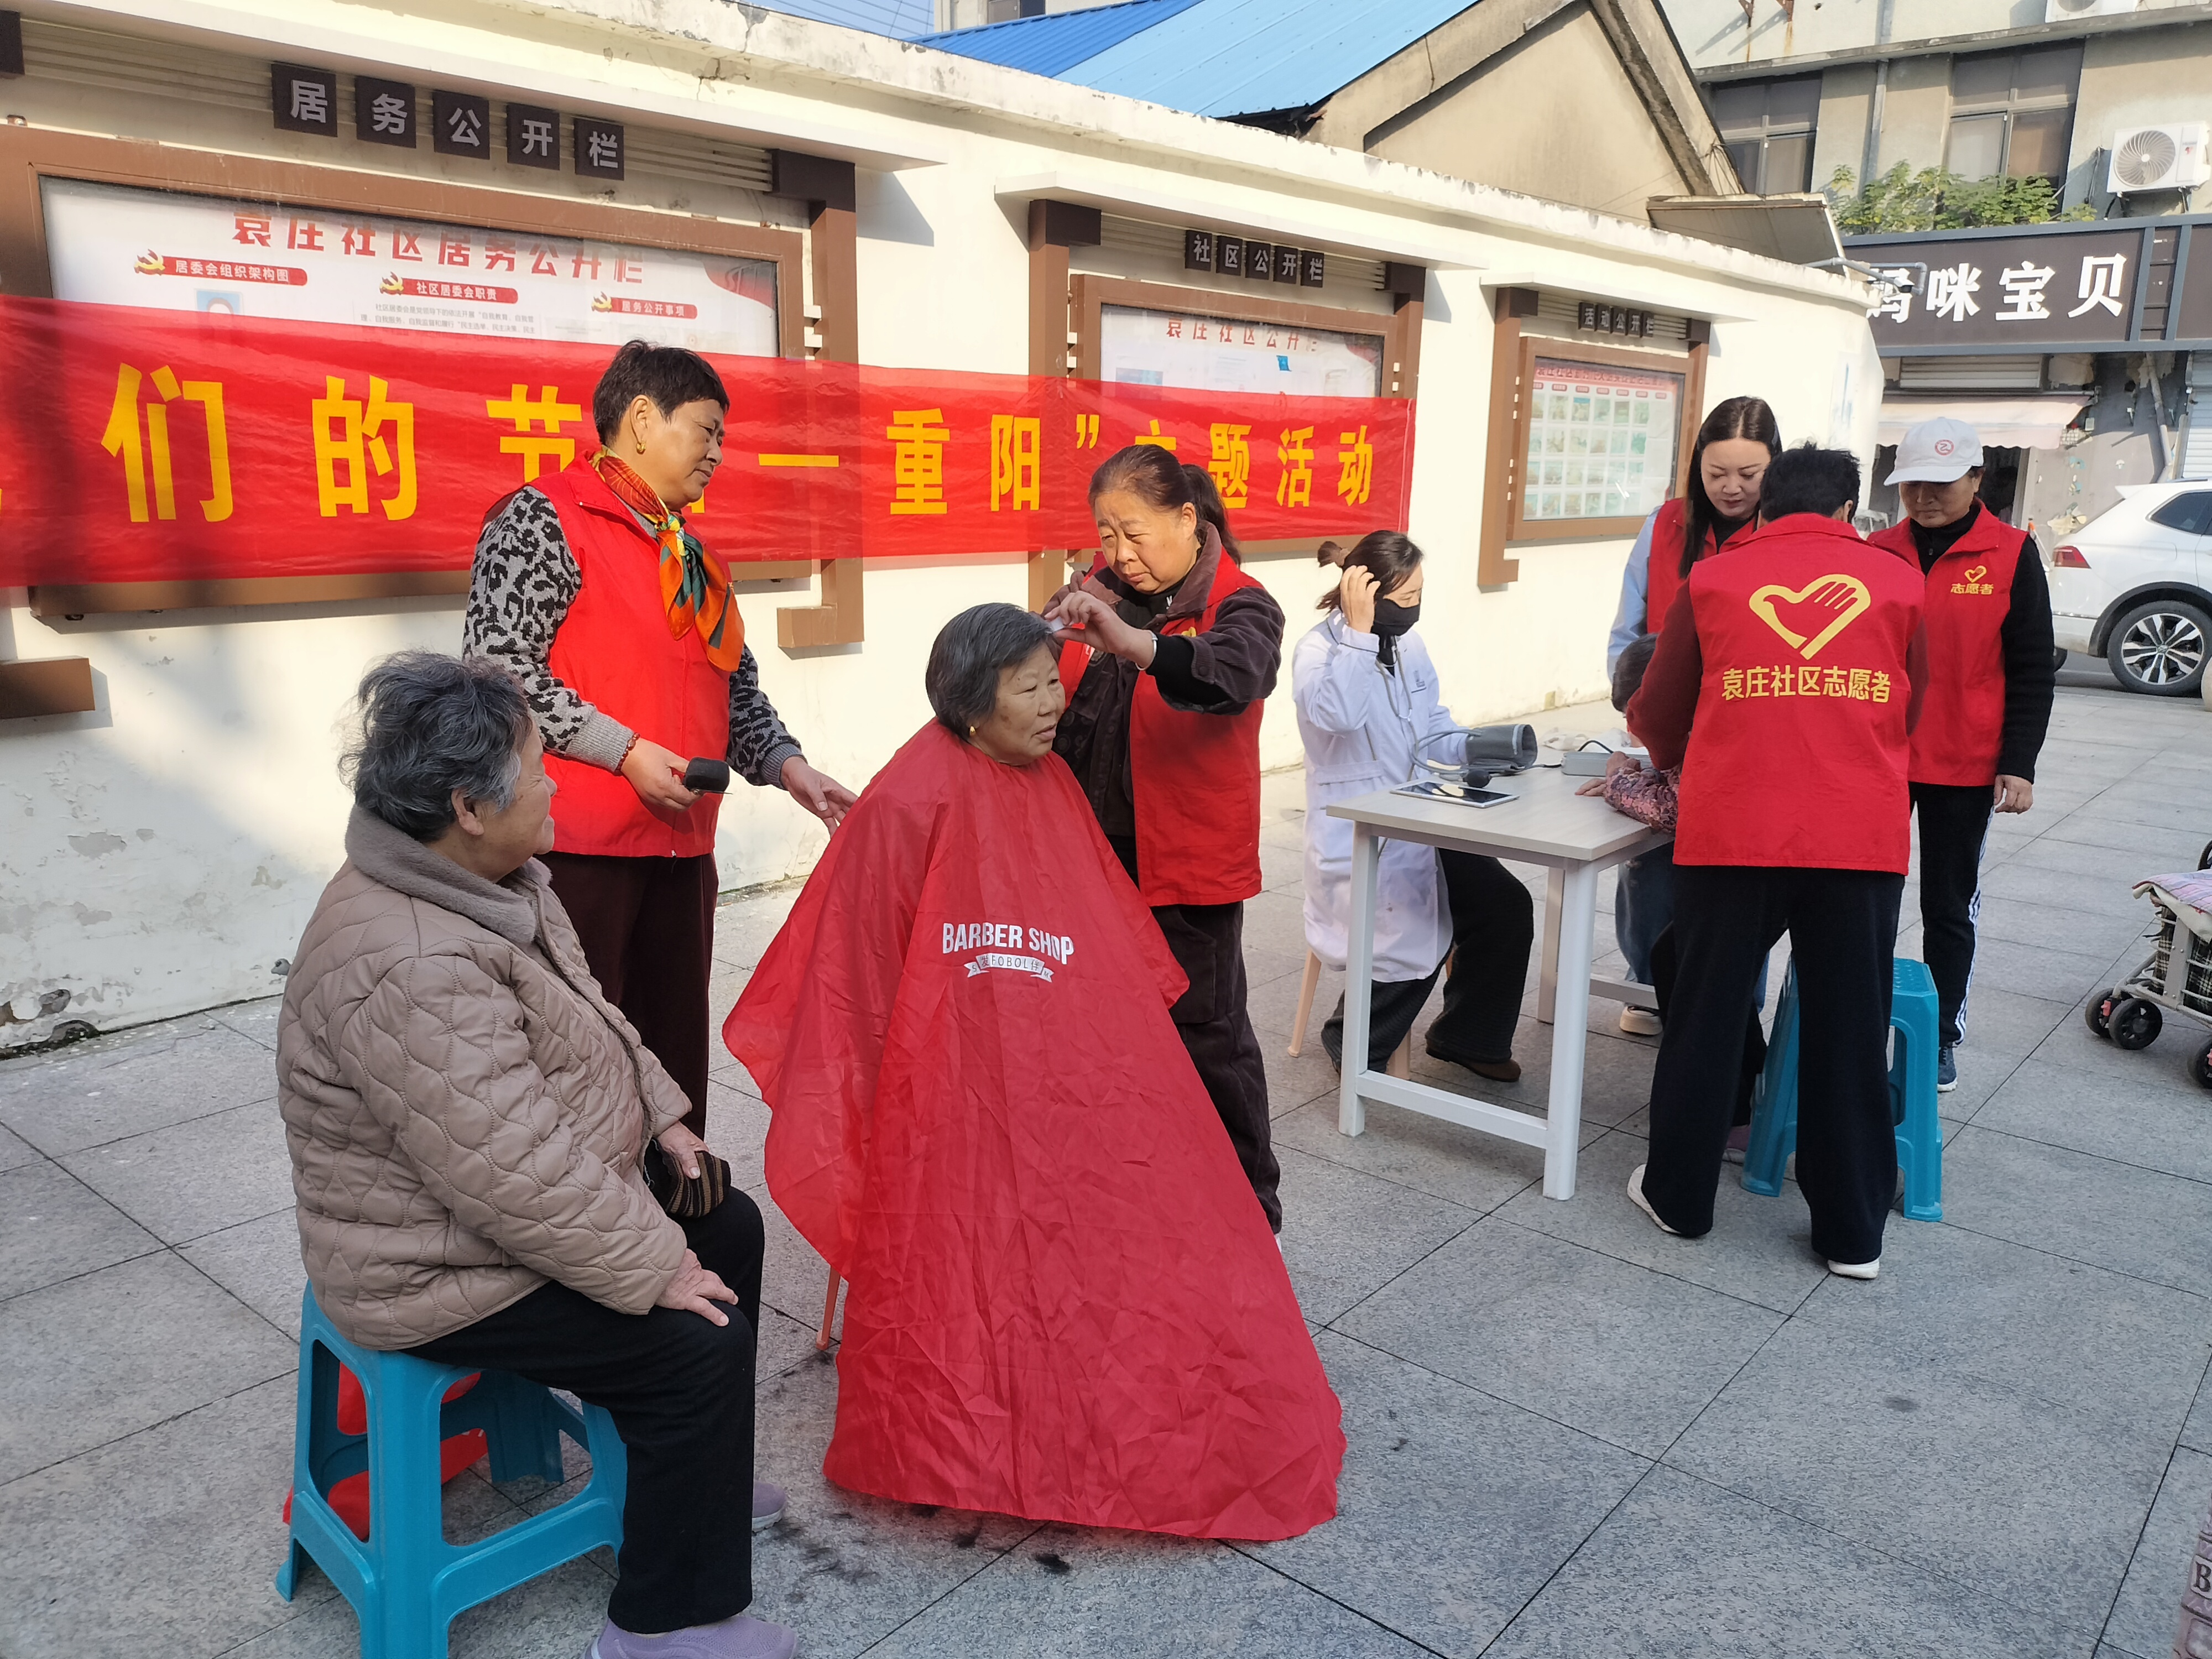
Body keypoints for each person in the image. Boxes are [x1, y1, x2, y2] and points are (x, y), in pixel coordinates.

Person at [723, 605, 1344, 1537]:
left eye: (1055, 680)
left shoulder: (1049, 779)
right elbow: (857, 968)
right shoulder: (910, 801)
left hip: (1057, 1046)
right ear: (973, 706)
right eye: (1032, 687)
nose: (1056, 702)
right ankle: (954, 1411)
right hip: (942, 1069)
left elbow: (1102, 928)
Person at [279, 653, 790, 1659]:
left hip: (493, 1204)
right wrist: (652, 1266)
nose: (556, 782)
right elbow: (509, 1173)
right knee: (696, 1342)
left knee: (725, 1221)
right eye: (537, 766)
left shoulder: (482, 876)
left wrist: (663, 1118)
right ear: (469, 808)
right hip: (432, 1261)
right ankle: (660, 1626)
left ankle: (692, 1479)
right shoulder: (411, 959)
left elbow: (589, 1019)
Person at [465, 340, 856, 1140]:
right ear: (643, 419)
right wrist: (625, 751)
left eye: (723, 438)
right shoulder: (543, 519)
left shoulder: (693, 554)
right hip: (574, 851)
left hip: (681, 849)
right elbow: (496, 672)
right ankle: (586, 1216)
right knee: (578, 1058)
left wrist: (789, 768)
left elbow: (733, 689)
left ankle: (678, 1209)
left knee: (672, 1059)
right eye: (706, 431)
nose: (717, 454)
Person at [1623, 446, 1927, 1279]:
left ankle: (1679, 1199)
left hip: (1734, 829)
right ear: (1849, 509)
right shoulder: (1900, 582)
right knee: (1849, 1029)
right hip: (1856, 836)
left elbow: (1658, 711)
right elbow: (1913, 707)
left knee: (1706, 1014)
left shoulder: (1715, 579)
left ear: (1765, 503)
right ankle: (1853, 1236)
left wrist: (1689, 752)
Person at [1042, 447, 1288, 1231]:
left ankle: (1248, 1214)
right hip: (1086, 861)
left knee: (1208, 1040)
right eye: (1107, 534)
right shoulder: (1093, 591)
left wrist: (1132, 643)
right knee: (1093, 1034)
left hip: (1184, 868)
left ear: (1188, 519)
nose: (1120, 553)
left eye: (1135, 533)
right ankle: (1124, 1196)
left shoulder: (1242, 605)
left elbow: (1233, 675)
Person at [1291, 533, 1532, 1077]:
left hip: (1419, 820)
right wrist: (1358, 636)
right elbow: (1338, 717)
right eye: (1403, 600)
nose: (1413, 609)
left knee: (1505, 905)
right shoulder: (1318, 652)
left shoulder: (1408, 645)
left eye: (1419, 596)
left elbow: (1431, 725)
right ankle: (1352, 1036)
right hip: (1360, 834)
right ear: (1363, 595)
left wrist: (1481, 748)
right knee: (1418, 926)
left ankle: (1467, 1037)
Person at [1866, 417, 2056, 1093]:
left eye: (1941, 484)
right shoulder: (1876, 551)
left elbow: (2031, 666)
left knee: (1947, 906)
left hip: (1964, 762)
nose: (1924, 497)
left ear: (1977, 478)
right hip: (1880, 757)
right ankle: (1862, 1023)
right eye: (1912, 483)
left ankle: (1940, 1036)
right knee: (1868, 898)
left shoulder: (2011, 553)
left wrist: (2019, 761)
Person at [1605, 397, 1783, 1035]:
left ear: (1775, 468)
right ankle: (1647, 986)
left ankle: (1737, 1012)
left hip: (1744, 735)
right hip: (1664, 724)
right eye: (1716, 473)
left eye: (1748, 474)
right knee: (1648, 863)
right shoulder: (1665, 525)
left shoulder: (1784, 532)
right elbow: (1627, 628)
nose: (1731, 487)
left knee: (1737, 878)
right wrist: (1637, 709)